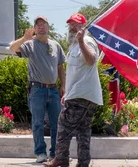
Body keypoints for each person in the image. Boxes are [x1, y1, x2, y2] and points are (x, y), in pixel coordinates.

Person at [44, 13, 103, 167]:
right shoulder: (74, 46)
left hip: (82, 95)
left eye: (75, 24)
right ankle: (83, 163)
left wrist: (82, 41)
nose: (71, 26)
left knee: (63, 126)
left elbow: (91, 61)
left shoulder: (87, 41)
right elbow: (75, 74)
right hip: (81, 95)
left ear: (83, 26)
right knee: (83, 131)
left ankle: (61, 158)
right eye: (70, 24)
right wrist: (68, 94)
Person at [9, 15, 66, 164]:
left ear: (48, 27)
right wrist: (23, 39)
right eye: (38, 25)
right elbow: (12, 48)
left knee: (56, 124)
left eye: (44, 24)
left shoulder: (56, 45)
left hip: (53, 90)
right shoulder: (29, 44)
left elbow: (60, 67)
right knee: (37, 123)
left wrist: (63, 86)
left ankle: (55, 154)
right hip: (37, 90)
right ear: (35, 28)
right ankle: (40, 153)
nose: (41, 27)